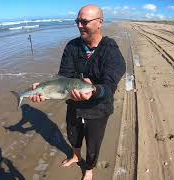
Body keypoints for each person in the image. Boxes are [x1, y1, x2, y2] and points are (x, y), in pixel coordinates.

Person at [29, 4, 126, 180]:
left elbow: (110, 85)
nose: (79, 25)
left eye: (84, 21)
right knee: (73, 134)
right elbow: (63, 76)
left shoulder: (111, 50)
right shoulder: (72, 46)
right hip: (73, 102)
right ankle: (75, 155)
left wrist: (95, 90)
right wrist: (46, 88)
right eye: (77, 21)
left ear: (99, 23)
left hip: (99, 107)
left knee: (93, 141)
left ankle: (89, 168)